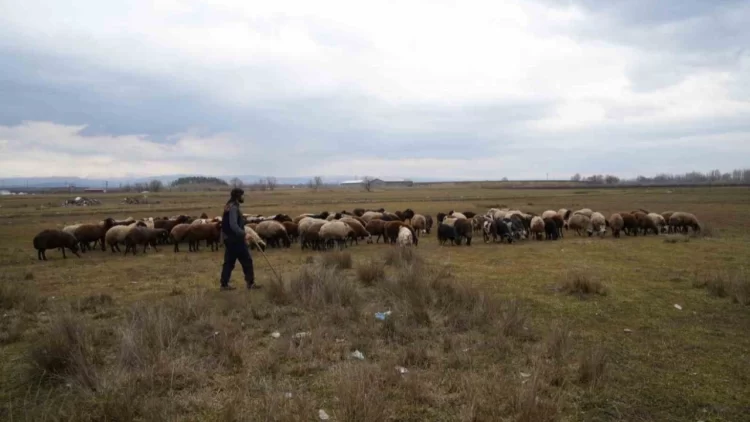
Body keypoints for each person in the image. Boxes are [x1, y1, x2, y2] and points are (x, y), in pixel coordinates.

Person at [219, 188, 261, 291]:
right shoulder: (233, 208)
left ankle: (224, 285)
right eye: (242, 195)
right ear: (238, 196)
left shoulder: (229, 205)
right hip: (235, 239)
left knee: (229, 262)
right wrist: (244, 234)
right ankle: (250, 284)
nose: (244, 197)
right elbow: (233, 225)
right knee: (247, 260)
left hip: (229, 239)